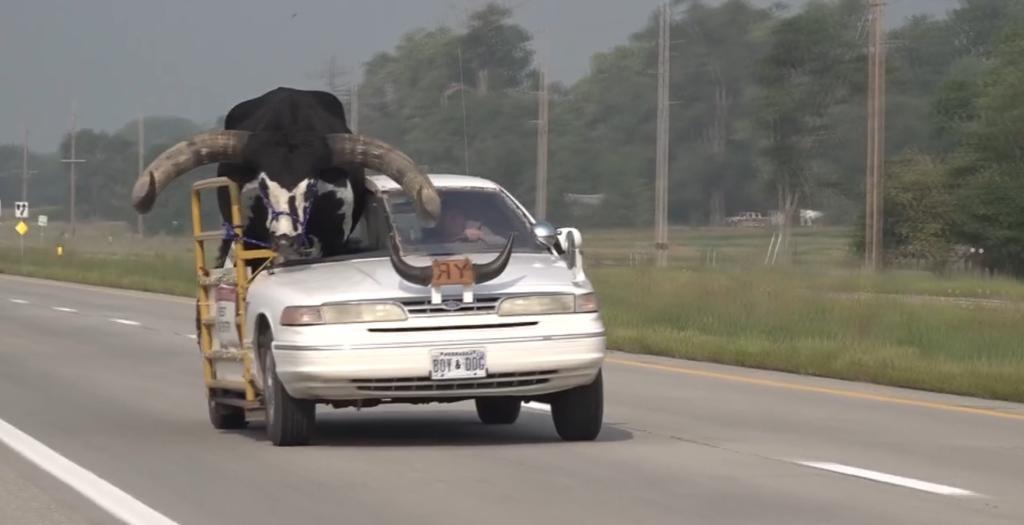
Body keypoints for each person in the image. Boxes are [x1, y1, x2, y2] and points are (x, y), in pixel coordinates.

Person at [434, 203, 505, 244]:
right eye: (446, 217)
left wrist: (482, 236)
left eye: (456, 216)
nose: (453, 220)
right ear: (441, 222)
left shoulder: (476, 228)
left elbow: (502, 242)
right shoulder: (432, 243)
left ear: (463, 218)